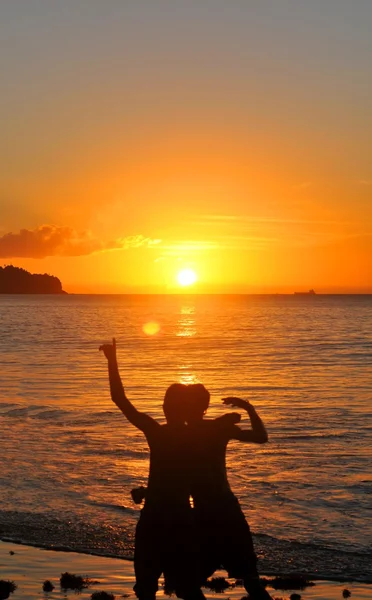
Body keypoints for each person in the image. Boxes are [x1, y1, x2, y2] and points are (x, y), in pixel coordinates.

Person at [99, 339, 205, 600]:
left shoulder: (157, 433)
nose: (164, 405)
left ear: (170, 407)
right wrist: (148, 491)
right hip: (181, 519)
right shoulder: (197, 437)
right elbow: (187, 481)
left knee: (146, 587)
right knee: (188, 589)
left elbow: (120, 399)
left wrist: (112, 361)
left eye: (167, 401)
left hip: (156, 520)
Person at [186, 383, 272, 600]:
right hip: (225, 513)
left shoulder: (178, 435)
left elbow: (172, 477)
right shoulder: (217, 427)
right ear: (204, 407)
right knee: (251, 581)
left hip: (207, 515)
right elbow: (261, 436)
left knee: (188, 585)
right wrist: (248, 409)